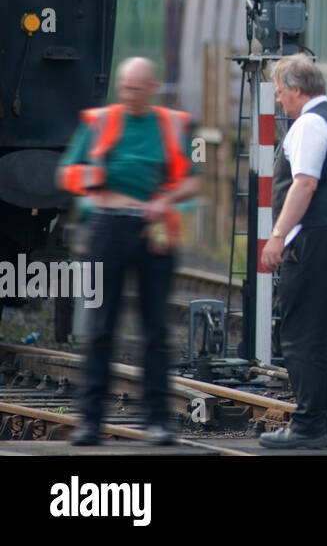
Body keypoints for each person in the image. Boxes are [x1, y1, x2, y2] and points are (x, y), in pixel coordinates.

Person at [56, 57, 197, 446]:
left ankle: (157, 421)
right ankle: (90, 421)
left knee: (155, 329)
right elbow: (67, 171)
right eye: (125, 87)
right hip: (108, 227)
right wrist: (99, 181)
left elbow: (189, 182)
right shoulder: (100, 121)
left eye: (137, 88)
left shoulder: (169, 124)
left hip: (155, 229)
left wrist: (165, 199)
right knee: (101, 327)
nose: (129, 94)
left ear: (151, 89)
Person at [258, 54, 327, 449]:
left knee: (303, 332)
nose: (279, 100)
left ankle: (307, 426)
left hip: (311, 238)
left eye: (280, 92)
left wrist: (277, 237)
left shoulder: (308, 125)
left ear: (297, 89)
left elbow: (304, 185)